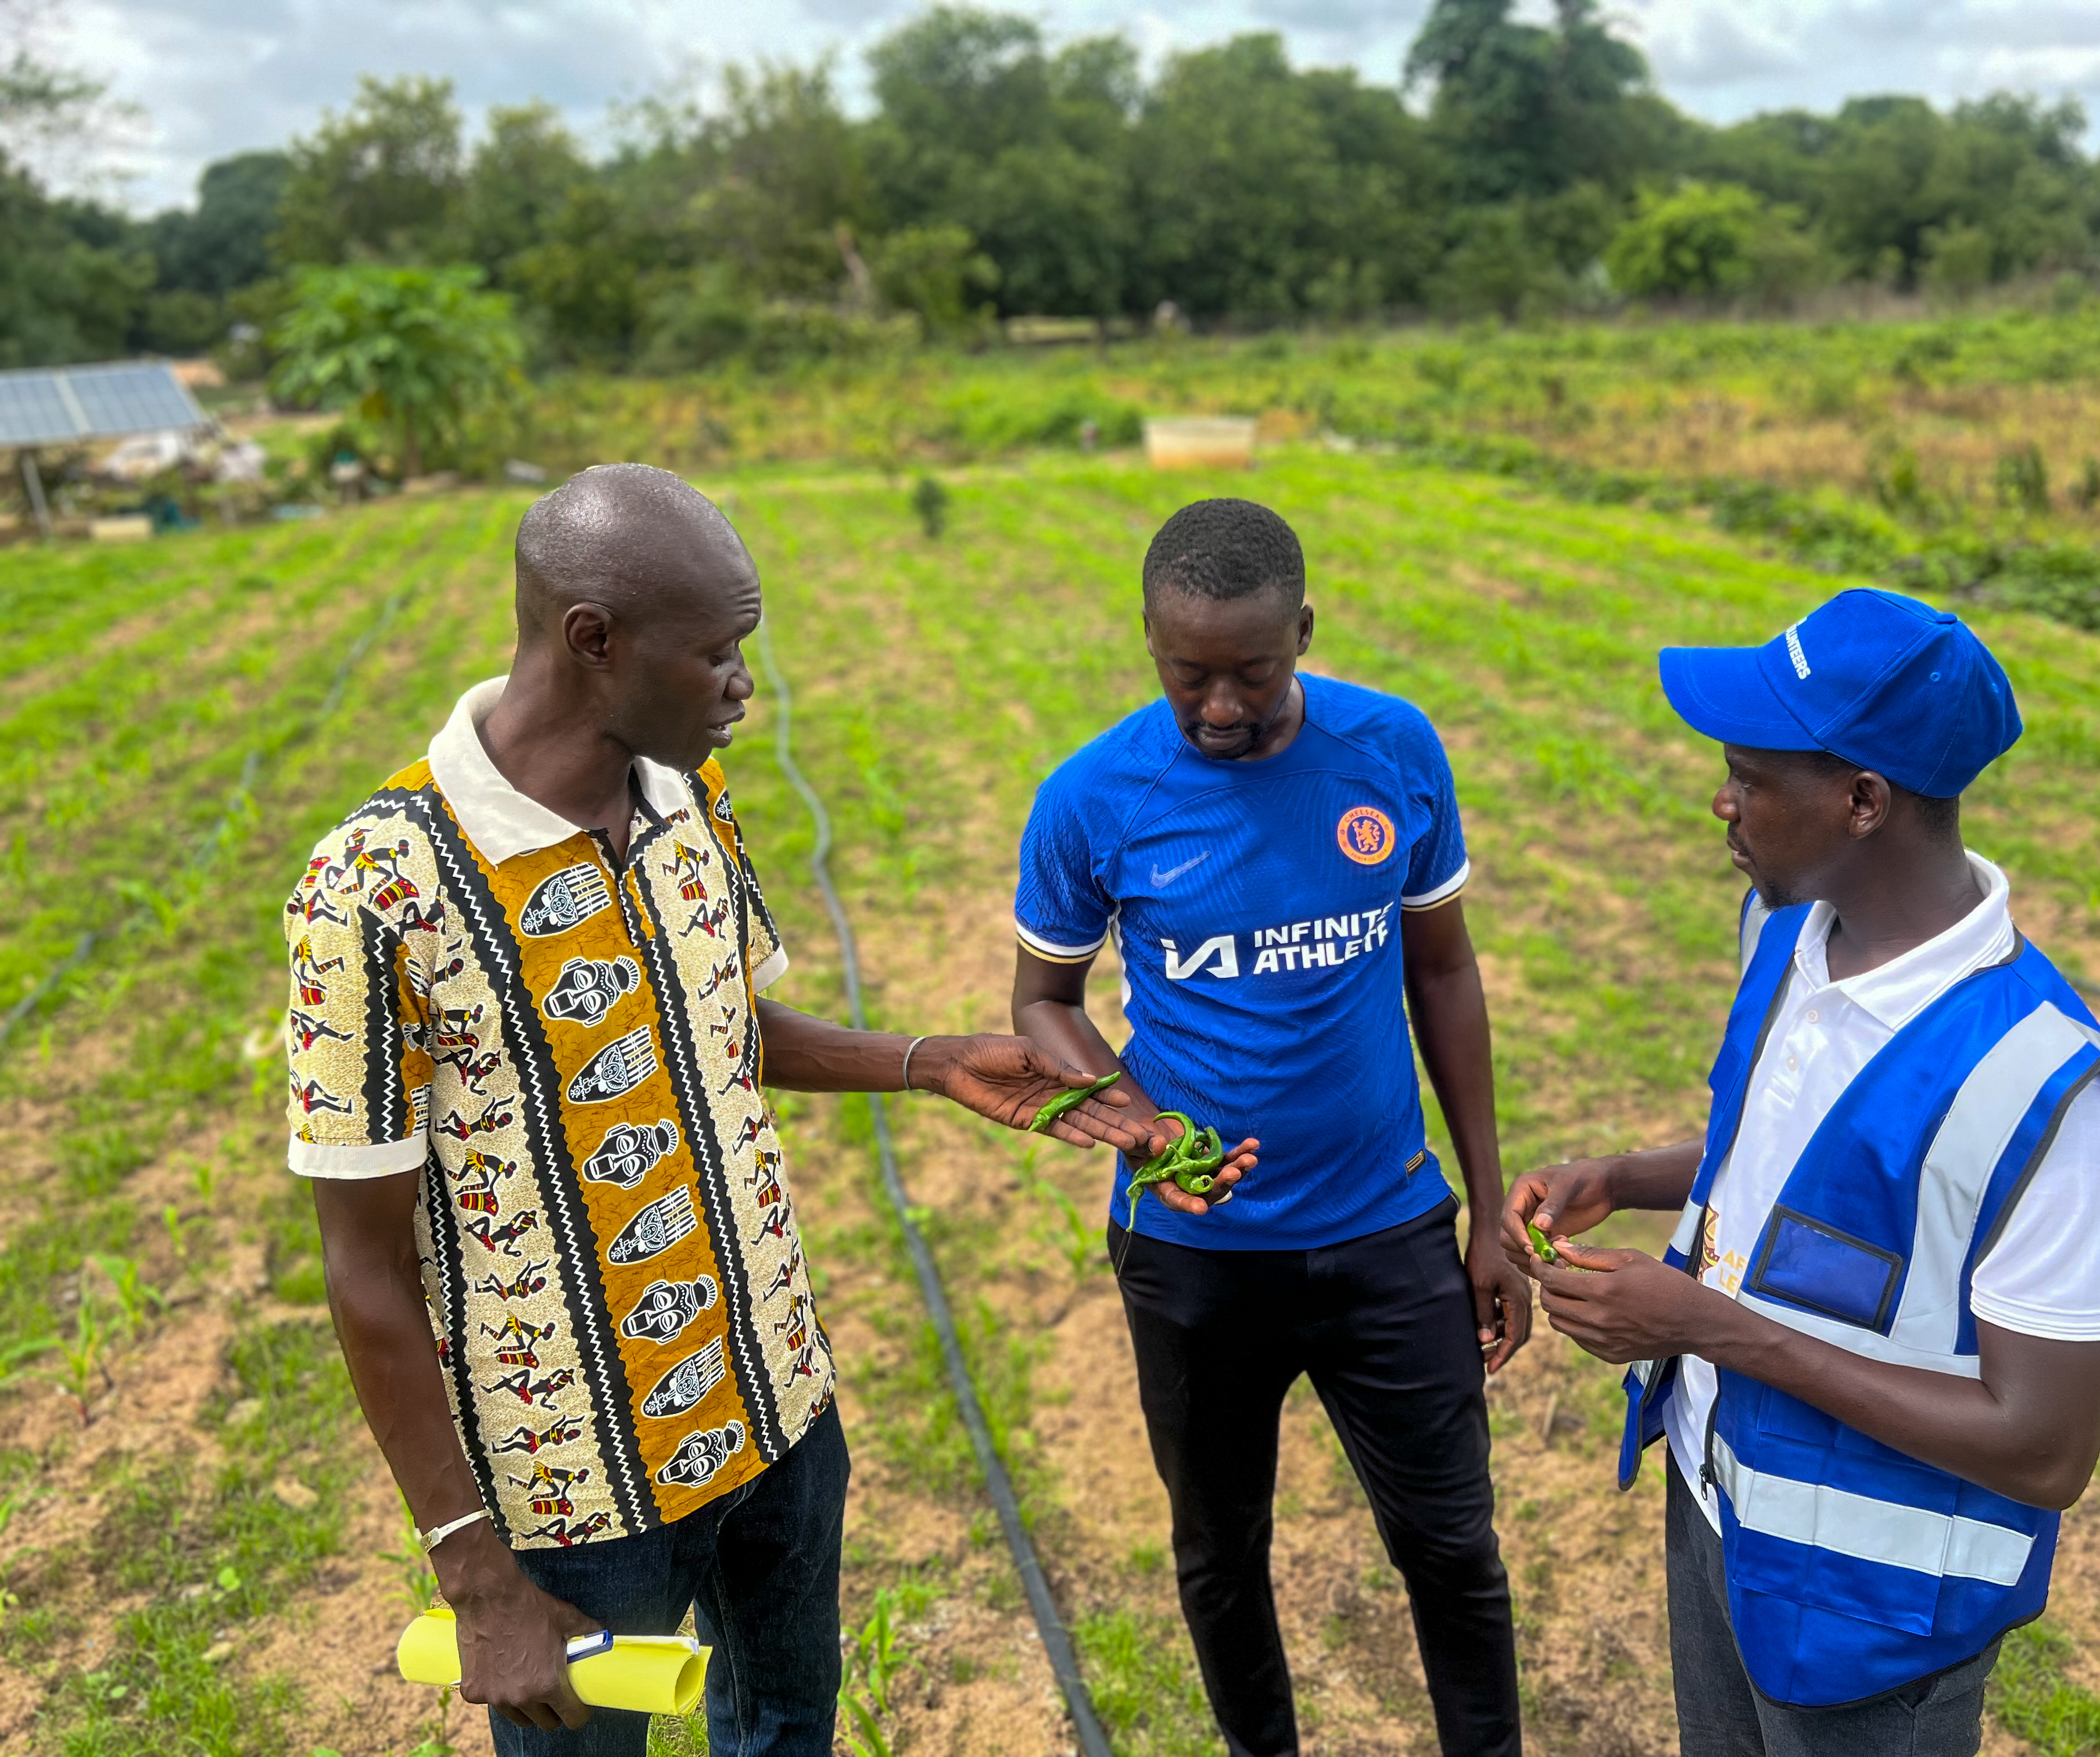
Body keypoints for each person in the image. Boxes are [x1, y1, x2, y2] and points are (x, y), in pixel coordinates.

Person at [282, 464, 1148, 1756]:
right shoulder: (376, 887)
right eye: (720, 654)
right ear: (595, 642)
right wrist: (477, 1581)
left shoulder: (690, 799)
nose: (746, 685)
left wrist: (923, 1061)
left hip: (778, 1410)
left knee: (788, 1729)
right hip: (578, 1499)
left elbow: (722, 1029)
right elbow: (361, 1265)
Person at [1503, 587, 2100, 1756]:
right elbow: (1790, 1156)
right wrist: (1621, 1173)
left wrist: (1711, 1327)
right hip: (1719, 1507)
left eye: (1750, 780)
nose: (1721, 802)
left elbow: (2046, 1446)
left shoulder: (2045, 1098)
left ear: (1864, 800)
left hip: (1877, 1618)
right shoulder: (1786, 931)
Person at [1011, 498, 1527, 1757]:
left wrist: (1491, 1209)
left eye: (1255, 669)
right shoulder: (1092, 799)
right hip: (1193, 1256)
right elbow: (1042, 1002)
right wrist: (1137, 1127)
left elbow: (1444, 975)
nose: (1224, 706)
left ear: (1304, 628)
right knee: (1220, 1550)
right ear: (1150, 643)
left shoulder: (1393, 752)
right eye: (1189, 675)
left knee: (1453, 1547)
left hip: (1391, 1231)